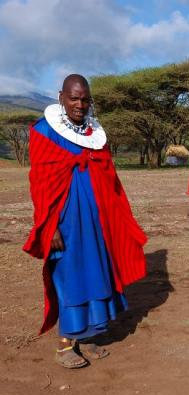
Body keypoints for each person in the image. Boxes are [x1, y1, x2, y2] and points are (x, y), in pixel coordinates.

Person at [23, 74, 147, 368]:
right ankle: (66, 344)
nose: (80, 104)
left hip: (97, 221)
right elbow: (39, 183)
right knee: (70, 276)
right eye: (74, 98)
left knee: (97, 272)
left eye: (85, 99)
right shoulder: (44, 132)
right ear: (61, 97)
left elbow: (109, 178)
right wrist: (48, 224)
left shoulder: (95, 134)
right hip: (65, 222)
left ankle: (90, 337)